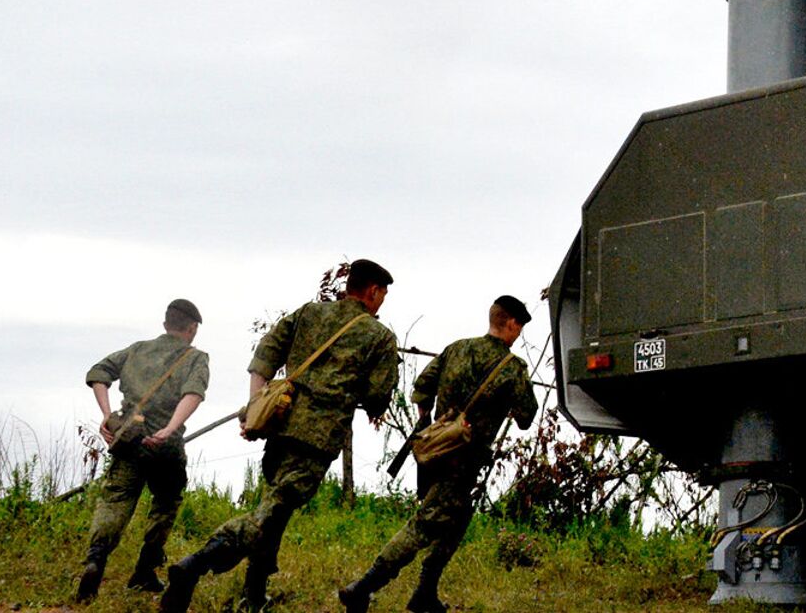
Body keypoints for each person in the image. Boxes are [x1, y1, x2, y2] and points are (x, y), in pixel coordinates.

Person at [161, 259, 399, 612]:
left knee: (273, 514)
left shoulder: (308, 314)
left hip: (280, 427)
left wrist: (257, 402)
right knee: (267, 516)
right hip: (317, 440)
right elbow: (378, 398)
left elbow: (265, 354)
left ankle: (254, 597)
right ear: (373, 291)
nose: (382, 302)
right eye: (383, 295)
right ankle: (193, 565)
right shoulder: (380, 337)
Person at [339, 295, 538, 613]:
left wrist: (429, 421)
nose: (520, 333)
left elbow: (422, 385)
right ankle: (362, 587)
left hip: (434, 453)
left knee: (457, 521)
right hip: (464, 460)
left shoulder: (456, 348)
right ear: (511, 323)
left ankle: (424, 594)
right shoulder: (512, 368)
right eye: (520, 327)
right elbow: (527, 417)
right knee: (424, 525)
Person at [74, 298, 210, 603]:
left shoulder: (137, 349)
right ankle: (144, 571)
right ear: (191, 328)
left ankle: (96, 558)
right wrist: (170, 428)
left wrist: (108, 416)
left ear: (165, 325)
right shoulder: (196, 357)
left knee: (116, 499)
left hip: (129, 440)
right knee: (166, 503)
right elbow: (193, 394)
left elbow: (98, 373)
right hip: (165, 446)